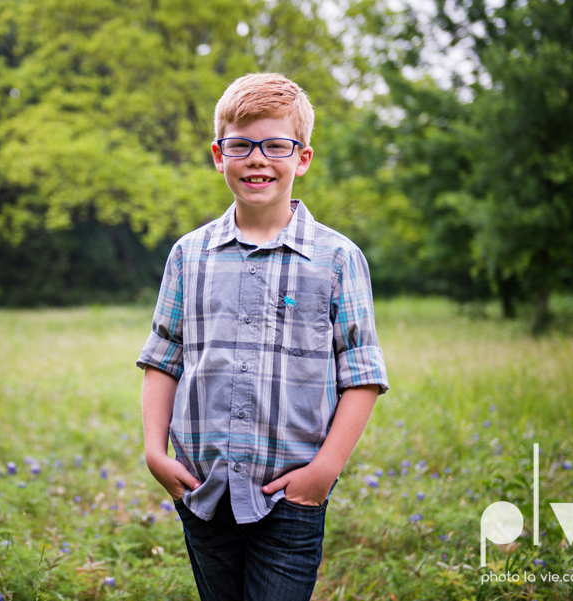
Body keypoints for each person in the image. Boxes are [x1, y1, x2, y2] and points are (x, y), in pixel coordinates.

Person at [136, 72, 390, 601]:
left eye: (276, 145)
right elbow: (164, 356)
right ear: (217, 154)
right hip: (202, 487)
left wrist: (324, 471)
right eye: (241, 145)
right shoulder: (189, 254)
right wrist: (154, 453)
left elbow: (362, 375)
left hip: (290, 492)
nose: (257, 158)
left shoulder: (337, 259)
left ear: (302, 158)